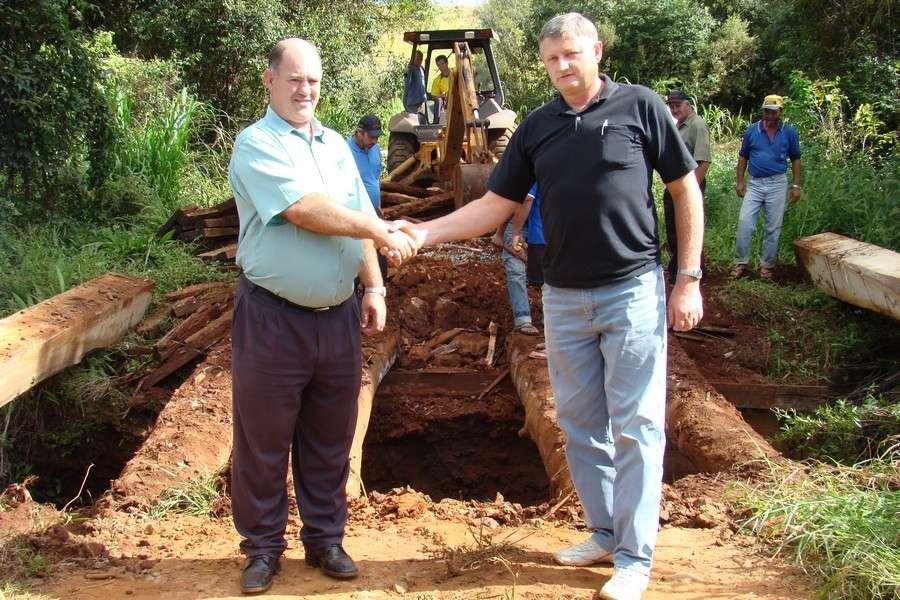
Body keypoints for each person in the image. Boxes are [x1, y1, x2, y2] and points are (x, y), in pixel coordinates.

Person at [393, 13, 704, 600]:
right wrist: (423, 232)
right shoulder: (538, 127)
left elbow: (684, 189)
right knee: (583, 425)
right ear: (544, 63)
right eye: (553, 57)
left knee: (636, 424)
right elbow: (492, 205)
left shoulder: (640, 107)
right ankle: (605, 532)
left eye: (572, 53)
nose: (563, 65)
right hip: (561, 297)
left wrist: (687, 277)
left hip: (632, 289)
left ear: (596, 51)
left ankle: (635, 557)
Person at [227, 38, 419, 595]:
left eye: (312, 79)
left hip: (336, 319)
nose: (305, 89)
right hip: (272, 318)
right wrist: (379, 232)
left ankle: (325, 539)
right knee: (263, 440)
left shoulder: (336, 144)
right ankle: (262, 549)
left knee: (330, 437)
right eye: (294, 79)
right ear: (270, 81)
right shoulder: (255, 144)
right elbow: (305, 211)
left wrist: (375, 285)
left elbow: (357, 213)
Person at [733, 94, 802, 280]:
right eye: (766, 111)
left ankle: (767, 266)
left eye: (772, 112)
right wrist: (740, 181)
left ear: (780, 112)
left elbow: (796, 158)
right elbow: (743, 157)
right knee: (745, 223)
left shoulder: (789, 133)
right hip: (755, 183)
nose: (769, 115)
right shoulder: (752, 131)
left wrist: (796, 185)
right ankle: (741, 262)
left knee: (773, 227)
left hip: (778, 183)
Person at [663, 90, 711, 284]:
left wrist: (691, 191)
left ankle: (686, 271)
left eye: (677, 105)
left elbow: (704, 161)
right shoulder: (677, 126)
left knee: (687, 227)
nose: (674, 109)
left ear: (687, 104)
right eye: (671, 106)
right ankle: (681, 267)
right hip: (674, 185)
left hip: (690, 185)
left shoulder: (697, 125)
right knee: (673, 229)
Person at [491, 183, 544, 335]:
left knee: (519, 271)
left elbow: (521, 200)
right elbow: (511, 202)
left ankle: (529, 318)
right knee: (521, 270)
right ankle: (527, 318)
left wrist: (507, 233)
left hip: (533, 223)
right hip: (532, 223)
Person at [347, 114, 389, 279]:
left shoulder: (375, 149)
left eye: (377, 137)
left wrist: (378, 207)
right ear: (359, 132)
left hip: (375, 212)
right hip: (355, 212)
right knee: (358, 255)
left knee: (380, 255)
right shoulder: (344, 151)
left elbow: (374, 178)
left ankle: (379, 291)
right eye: (371, 137)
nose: (375, 141)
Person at [429, 55, 451, 123]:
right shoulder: (437, 80)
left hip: (458, 99)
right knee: (439, 101)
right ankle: (438, 123)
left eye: (442, 64)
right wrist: (442, 95)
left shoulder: (455, 74)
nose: (441, 66)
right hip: (446, 103)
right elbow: (434, 96)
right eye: (438, 65)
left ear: (447, 63)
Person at [403, 50, 426, 115]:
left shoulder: (421, 69)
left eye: (421, 59)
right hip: (413, 105)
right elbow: (406, 80)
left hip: (422, 102)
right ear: (413, 59)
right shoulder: (409, 70)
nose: (419, 61)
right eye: (417, 59)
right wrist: (408, 70)